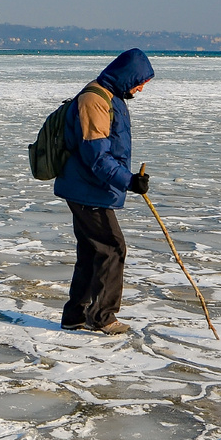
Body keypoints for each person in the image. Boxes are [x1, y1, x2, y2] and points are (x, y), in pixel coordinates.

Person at [53, 48, 155, 335]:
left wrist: (127, 180)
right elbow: (96, 156)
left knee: (91, 251)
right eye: (140, 81)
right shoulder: (94, 101)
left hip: (90, 188)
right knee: (112, 248)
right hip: (87, 190)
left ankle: (75, 315)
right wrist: (129, 181)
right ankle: (102, 317)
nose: (141, 87)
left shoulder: (112, 98)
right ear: (126, 76)